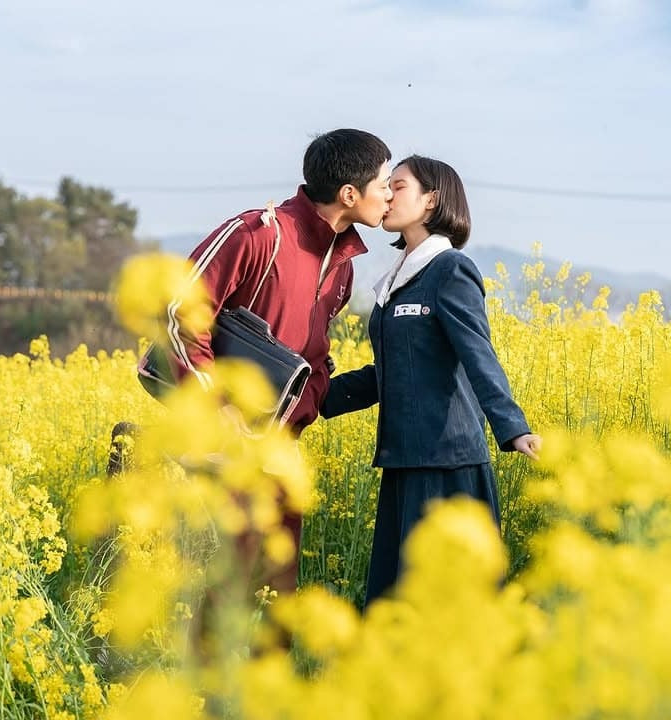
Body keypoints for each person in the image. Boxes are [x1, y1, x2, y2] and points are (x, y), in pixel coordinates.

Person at [137, 128, 393, 598]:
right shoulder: (257, 233)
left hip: (278, 453)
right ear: (349, 194)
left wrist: (307, 404)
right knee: (220, 592)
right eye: (384, 183)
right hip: (219, 447)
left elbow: (314, 352)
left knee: (274, 596)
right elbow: (177, 312)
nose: (390, 194)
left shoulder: (344, 266)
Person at [320, 154, 541, 608]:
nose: (386, 195)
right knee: (397, 603)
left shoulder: (449, 269)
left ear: (431, 200)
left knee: (451, 605)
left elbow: (478, 354)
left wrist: (513, 426)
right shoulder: (395, 280)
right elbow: (393, 371)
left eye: (398, 186)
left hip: (448, 463)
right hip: (403, 462)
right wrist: (315, 396)